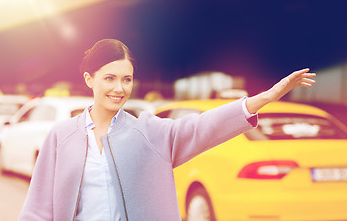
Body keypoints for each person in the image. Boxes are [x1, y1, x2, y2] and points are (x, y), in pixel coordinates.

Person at [18, 39, 316, 221]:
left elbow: (203, 127)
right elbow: (38, 210)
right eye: (109, 78)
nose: (119, 88)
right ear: (89, 79)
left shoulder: (150, 132)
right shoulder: (61, 136)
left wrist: (262, 99)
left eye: (127, 79)